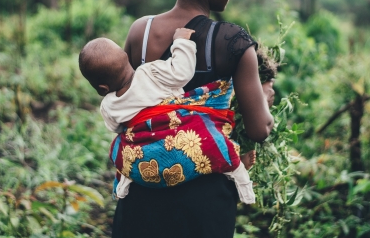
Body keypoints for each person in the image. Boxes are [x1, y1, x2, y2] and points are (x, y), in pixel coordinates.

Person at [100, 0, 274, 238]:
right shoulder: (233, 42)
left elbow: (134, 100)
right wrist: (265, 101)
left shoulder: (140, 32)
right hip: (202, 198)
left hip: (143, 185)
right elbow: (258, 130)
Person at [78, 27, 256, 203]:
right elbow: (182, 72)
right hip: (178, 137)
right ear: (126, 58)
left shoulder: (108, 105)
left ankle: (123, 184)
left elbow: (117, 128)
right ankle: (240, 176)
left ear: (102, 88)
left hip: (146, 159)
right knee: (210, 140)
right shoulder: (150, 72)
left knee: (119, 147)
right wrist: (181, 41)